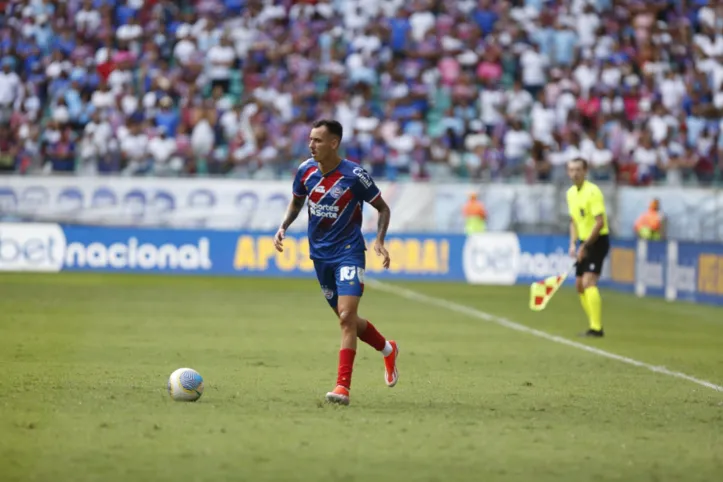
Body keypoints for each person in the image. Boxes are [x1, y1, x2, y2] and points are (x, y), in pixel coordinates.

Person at [273, 119, 399, 406]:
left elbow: (382, 208)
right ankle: (388, 349)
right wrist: (283, 226)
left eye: (317, 140)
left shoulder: (355, 175)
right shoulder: (305, 171)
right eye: (310, 139)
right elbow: (296, 202)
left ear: (334, 143)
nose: (311, 145)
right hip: (320, 255)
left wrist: (379, 240)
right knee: (348, 320)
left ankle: (343, 387)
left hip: (349, 251)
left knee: (346, 318)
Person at [566, 157, 610, 338]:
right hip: (583, 241)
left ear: (585, 171)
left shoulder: (593, 192)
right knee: (579, 286)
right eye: (571, 170)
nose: (574, 173)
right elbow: (574, 221)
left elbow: (599, 223)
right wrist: (572, 244)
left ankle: (596, 328)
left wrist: (585, 245)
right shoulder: (570, 193)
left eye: (578, 169)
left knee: (588, 282)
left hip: (597, 240)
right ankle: (593, 324)